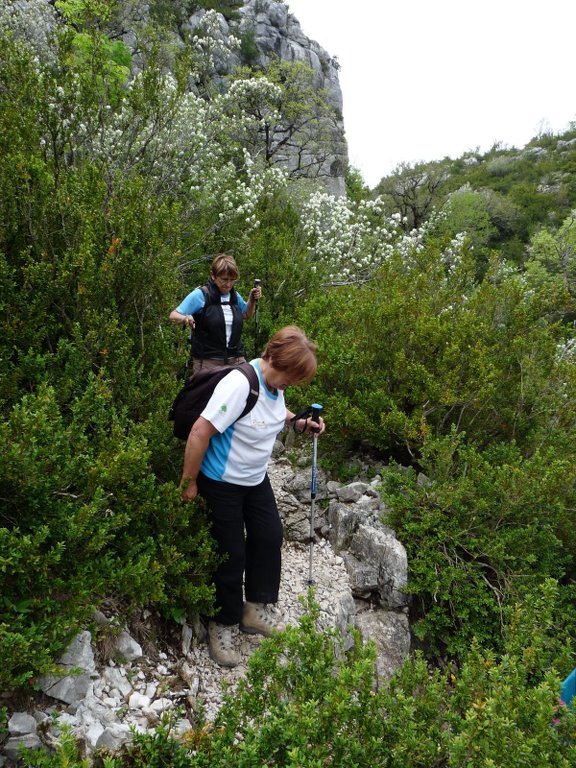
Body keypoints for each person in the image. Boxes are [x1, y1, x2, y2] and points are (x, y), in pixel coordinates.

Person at [179, 325, 325, 667]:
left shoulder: (275, 383)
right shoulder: (239, 384)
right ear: (272, 357)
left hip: (254, 478)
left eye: (294, 380)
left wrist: (298, 423)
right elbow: (200, 431)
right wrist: (189, 482)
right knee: (230, 554)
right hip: (222, 480)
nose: (290, 383)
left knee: (270, 535)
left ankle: (254, 609)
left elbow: (272, 411)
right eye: (288, 376)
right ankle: (224, 622)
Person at [169, 254, 262, 374]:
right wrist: (186, 318)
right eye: (224, 279)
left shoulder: (233, 295)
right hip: (208, 362)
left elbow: (246, 315)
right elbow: (173, 316)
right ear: (213, 275)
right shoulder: (201, 295)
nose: (228, 284)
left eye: (232, 280)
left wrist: (252, 299)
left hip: (236, 359)